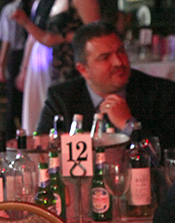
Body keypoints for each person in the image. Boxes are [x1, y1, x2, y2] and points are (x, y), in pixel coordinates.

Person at [36, 22, 175, 143]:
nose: (118, 62)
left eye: (121, 52)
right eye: (105, 57)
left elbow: (168, 150)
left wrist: (128, 124)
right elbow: (44, 149)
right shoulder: (61, 98)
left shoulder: (161, 92)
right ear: (83, 70)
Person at [12, 0, 99, 93]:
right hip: (58, 70)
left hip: (76, 69)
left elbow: (96, 34)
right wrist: (25, 22)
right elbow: (48, 39)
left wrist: (66, 38)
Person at [0, 0, 38, 131]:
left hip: (17, 55)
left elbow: (7, 40)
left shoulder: (12, 9)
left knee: (13, 101)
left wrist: (0, 65)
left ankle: (11, 136)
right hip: (37, 56)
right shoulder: (38, 5)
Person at [15, 0, 56, 133]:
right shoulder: (39, 3)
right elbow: (32, 37)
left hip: (53, 57)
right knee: (34, 105)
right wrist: (23, 69)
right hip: (37, 58)